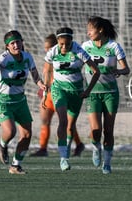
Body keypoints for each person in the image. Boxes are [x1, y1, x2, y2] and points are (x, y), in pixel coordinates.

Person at [0, 30, 46, 175]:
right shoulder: (4, 58)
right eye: (12, 43)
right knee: (10, 132)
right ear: (7, 47)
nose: (16, 45)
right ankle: (2, 146)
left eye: (18, 42)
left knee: (27, 134)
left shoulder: (28, 57)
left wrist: (40, 83)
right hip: (3, 101)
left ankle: (15, 165)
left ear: (22, 42)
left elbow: (35, 74)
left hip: (20, 101)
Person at [42, 27, 100, 171]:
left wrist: (88, 90)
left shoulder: (79, 51)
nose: (64, 47)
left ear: (71, 42)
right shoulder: (52, 52)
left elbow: (96, 71)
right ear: (57, 41)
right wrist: (45, 92)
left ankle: (70, 148)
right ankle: (63, 158)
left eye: (67, 44)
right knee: (62, 120)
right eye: (61, 44)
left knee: (70, 126)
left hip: (76, 92)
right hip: (59, 89)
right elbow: (47, 71)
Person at [82, 16, 130, 174]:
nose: (88, 32)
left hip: (110, 94)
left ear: (100, 30)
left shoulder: (114, 46)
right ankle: (96, 148)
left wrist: (118, 70)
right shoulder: (85, 47)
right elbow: (76, 65)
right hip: (92, 94)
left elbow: (126, 69)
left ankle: (107, 163)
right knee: (96, 130)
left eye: (91, 29)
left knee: (108, 131)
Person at [31, 33, 85, 157]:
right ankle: (43, 148)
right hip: (49, 94)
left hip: (60, 93)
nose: (46, 50)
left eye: (48, 47)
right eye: (45, 48)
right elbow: (46, 74)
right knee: (45, 120)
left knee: (65, 122)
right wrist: (43, 89)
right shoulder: (49, 58)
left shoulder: (64, 57)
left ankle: (77, 144)